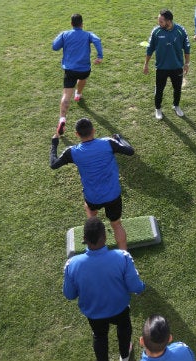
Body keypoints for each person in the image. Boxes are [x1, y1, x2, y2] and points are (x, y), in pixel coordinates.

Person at [63, 217, 146, 361]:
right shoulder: (123, 257)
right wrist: (141, 287)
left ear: (84, 238)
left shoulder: (72, 264)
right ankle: (125, 357)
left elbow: (69, 295)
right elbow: (135, 286)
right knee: (124, 330)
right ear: (105, 237)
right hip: (120, 308)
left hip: (94, 313)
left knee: (99, 336)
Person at [50, 118, 134, 250]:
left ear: (77, 134)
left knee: (89, 209)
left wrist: (54, 143)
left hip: (93, 197)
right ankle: (124, 256)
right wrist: (118, 138)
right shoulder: (108, 143)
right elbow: (130, 151)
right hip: (113, 195)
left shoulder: (72, 152)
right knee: (117, 225)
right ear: (93, 131)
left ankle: (93, 226)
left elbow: (54, 164)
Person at [52, 14, 103, 136]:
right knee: (82, 78)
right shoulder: (88, 34)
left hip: (69, 70)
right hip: (84, 68)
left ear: (71, 24)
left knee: (65, 95)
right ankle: (78, 94)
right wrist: (100, 56)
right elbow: (97, 40)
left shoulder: (65, 34)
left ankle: (62, 119)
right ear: (82, 24)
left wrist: (62, 36)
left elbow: (54, 47)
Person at [143, 9, 191, 120]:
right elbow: (150, 49)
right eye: (158, 21)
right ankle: (158, 109)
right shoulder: (156, 32)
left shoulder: (180, 31)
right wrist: (146, 64)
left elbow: (187, 48)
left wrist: (187, 63)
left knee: (177, 88)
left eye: (161, 21)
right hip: (161, 68)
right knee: (159, 89)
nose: (159, 24)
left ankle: (176, 106)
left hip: (177, 67)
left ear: (169, 21)